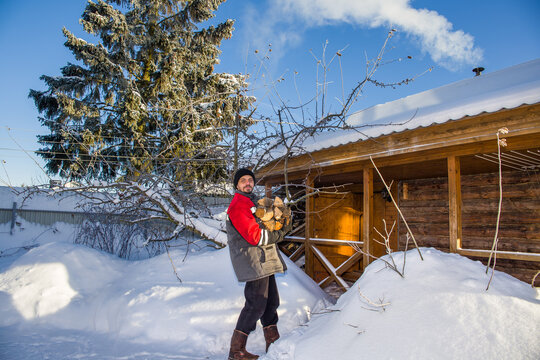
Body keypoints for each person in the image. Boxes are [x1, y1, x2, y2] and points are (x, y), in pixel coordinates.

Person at [226, 168, 292, 360]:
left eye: (250, 180)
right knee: (256, 304)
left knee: (271, 302)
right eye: (243, 181)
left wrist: (280, 221)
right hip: (253, 261)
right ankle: (236, 351)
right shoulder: (238, 204)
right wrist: (278, 234)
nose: (247, 183)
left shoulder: (253, 202)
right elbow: (255, 236)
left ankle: (273, 341)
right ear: (237, 185)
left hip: (264, 259)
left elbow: (265, 224)